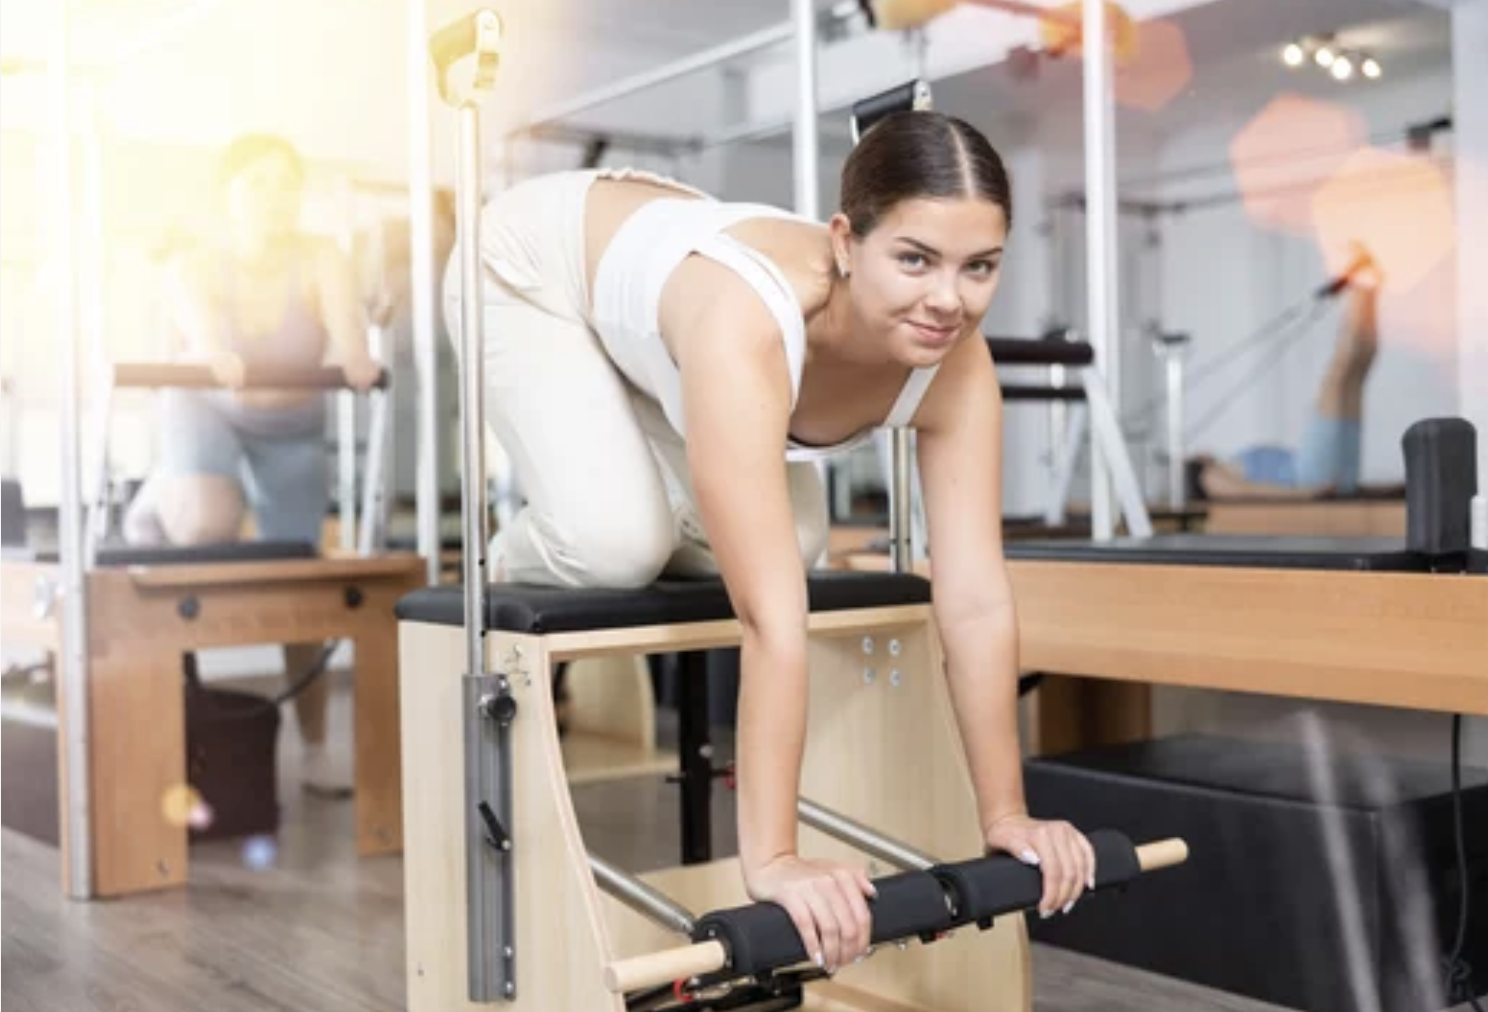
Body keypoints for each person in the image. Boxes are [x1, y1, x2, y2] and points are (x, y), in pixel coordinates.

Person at [441, 110, 1096, 972]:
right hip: (530, 265)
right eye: (915, 258)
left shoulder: (958, 367)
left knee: (797, 534)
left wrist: (1006, 814)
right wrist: (774, 858)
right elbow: (772, 621)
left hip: (656, 293)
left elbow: (973, 598)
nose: (949, 299)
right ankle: (530, 543)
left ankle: (634, 484)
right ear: (845, 241)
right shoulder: (749, 317)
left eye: (980, 267)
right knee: (618, 541)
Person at [123, 133, 382, 796]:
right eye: (258, 184)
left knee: (299, 579)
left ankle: (318, 748)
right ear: (228, 197)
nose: (275, 198)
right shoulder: (198, 264)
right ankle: (163, 493)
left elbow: (350, 331)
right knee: (209, 525)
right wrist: (212, 350)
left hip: (292, 424)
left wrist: (357, 359)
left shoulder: (322, 255)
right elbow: (203, 329)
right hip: (207, 410)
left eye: (285, 184)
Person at [1188, 251, 1387, 501]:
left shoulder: (1226, 465)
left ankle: (1368, 289)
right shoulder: (1210, 477)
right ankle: (1364, 285)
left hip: (1323, 475)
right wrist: (1305, 494)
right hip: (1311, 477)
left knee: (1355, 373)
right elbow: (1253, 493)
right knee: (1340, 374)